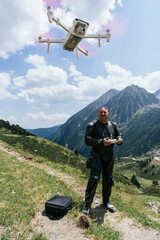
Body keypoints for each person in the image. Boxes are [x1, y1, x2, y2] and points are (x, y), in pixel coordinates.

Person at [82, 106, 123, 215]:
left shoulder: (113, 125)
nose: (103, 114)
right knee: (94, 179)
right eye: (101, 112)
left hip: (109, 156)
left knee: (108, 179)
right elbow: (87, 139)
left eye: (105, 112)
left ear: (108, 113)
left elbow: (118, 135)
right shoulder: (92, 125)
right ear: (98, 114)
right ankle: (87, 204)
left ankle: (106, 201)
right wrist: (101, 141)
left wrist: (119, 140)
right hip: (97, 155)